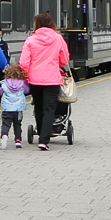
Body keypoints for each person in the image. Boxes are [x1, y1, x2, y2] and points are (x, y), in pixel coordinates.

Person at [18, 12, 71, 151]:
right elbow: (64, 59)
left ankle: (41, 132)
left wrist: (26, 74)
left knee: (38, 108)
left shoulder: (30, 40)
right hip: (52, 79)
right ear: (51, 23)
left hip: (35, 80)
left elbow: (23, 62)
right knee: (49, 109)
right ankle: (44, 140)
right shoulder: (58, 38)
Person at [0, 64, 29, 149]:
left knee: (6, 124)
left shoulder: (5, 83)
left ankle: (4, 135)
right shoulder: (22, 83)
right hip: (18, 109)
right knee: (17, 124)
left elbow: (0, 92)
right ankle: (18, 141)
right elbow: (27, 91)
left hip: (7, 108)